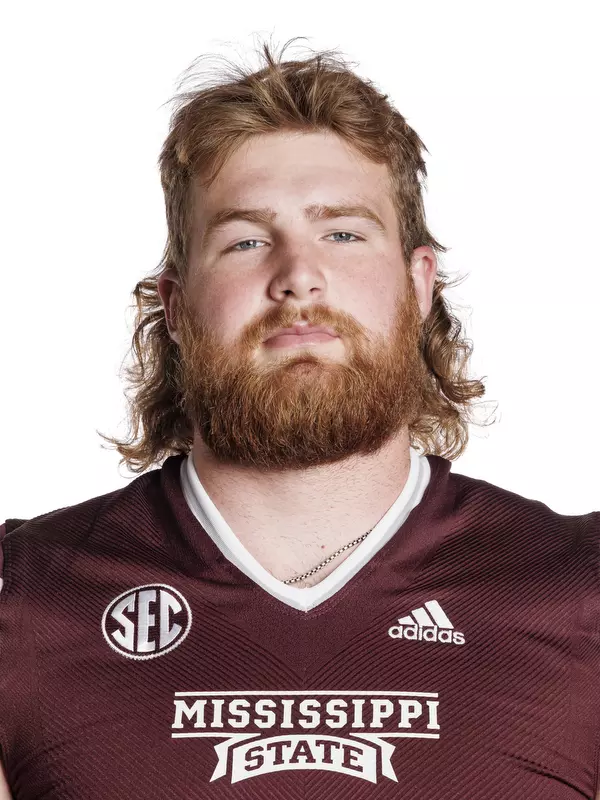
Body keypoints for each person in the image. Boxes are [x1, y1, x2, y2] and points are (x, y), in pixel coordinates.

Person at [0, 38, 598, 800]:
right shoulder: (21, 596)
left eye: (342, 233)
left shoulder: (581, 588)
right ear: (176, 308)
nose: (299, 277)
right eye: (247, 240)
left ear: (418, 286)